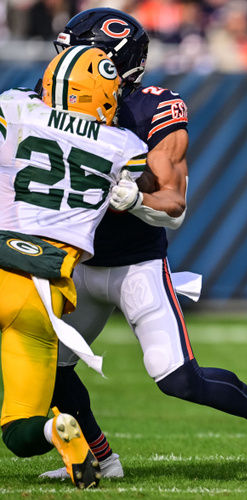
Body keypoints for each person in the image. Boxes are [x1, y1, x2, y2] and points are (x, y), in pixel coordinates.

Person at [38, 8, 247, 481]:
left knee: (177, 378)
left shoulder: (151, 109)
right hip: (76, 258)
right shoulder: (36, 105)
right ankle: (99, 458)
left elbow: (175, 205)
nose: (65, 66)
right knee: (47, 364)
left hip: (135, 263)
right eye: (65, 53)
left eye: (82, 58)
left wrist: (133, 196)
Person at [0, 46, 145, 488]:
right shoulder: (126, 146)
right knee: (20, 431)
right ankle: (58, 433)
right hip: (44, 296)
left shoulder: (14, 107)